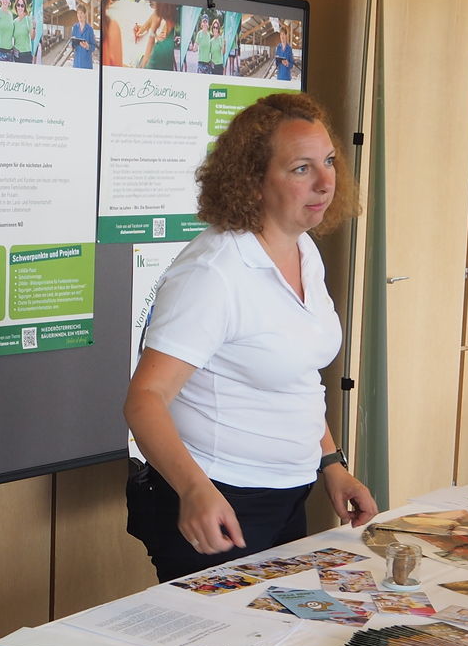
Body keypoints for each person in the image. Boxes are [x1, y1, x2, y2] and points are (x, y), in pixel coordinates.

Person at [123, 91, 376, 581]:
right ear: (253, 181)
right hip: (220, 499)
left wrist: (331, 464)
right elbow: (144, 399)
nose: (326, 181)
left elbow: (298, 376)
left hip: (290, 494)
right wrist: (194, 489)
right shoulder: (213, 272)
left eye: (328, 161)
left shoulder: (303, 251)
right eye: (301, 168)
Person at [69, 1, 96, 70]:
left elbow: (93, 47)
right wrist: (71, 45)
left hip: (86, 63)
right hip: (77, 63)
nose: (79, 15)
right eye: (78, 13)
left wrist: (87, 46)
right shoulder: (75, 27)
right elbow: (72, 43)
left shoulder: (89, 29)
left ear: (85, 14)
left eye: (81, 13)